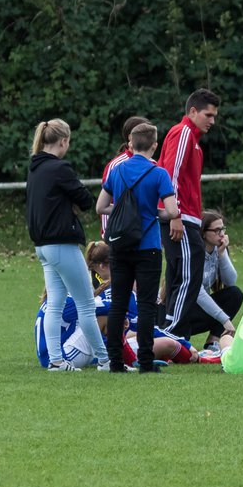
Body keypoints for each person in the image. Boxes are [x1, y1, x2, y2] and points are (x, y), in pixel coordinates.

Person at [26, 118, 110, 371]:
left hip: (43, 246)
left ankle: (56, 361)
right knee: (86, 304)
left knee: (55, 303)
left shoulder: (35, 168)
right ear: (63, 141)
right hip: (62, 244)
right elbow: (85, 200)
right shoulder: (59, 168)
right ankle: (105, 359)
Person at [96, 122, 180, 373]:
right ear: (155, 145)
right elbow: (173, 211)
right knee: (145, 304)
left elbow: (101, 207)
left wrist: (122, 211)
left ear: (131, 144)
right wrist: (152, 213)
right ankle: (144, 361)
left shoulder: (117, 170)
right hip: (148, 245)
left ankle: (115, 362)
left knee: (119, 303)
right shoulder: (158, 173)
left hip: (120, 246)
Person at [158, 88, 219, 335]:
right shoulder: (182, 133)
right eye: (208, 115)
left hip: (188, 219)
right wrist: (175, 216)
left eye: (214, 116)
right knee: (189, 278)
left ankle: (168, 331)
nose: (212, 121)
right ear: (192, 111)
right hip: (179, 219)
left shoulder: (195, 143)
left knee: (178, 277)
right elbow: (169, 175)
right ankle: (172, 333)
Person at [173, 210, 243, 350]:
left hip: (197, 311)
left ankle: (213, 342)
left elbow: (230, 281)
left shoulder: (218, 250)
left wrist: (222, 254)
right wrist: (225, 320)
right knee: (180, 351)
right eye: (217, 230)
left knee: (235, 294)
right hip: (180, 312)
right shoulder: (193, 254)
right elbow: (197, 293)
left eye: (223, 229)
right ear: (203, 233)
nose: (222, 234)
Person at [100, 115, 148, 236]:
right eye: (145, 133)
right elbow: (107, 201)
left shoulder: (153, 165)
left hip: (147, 234)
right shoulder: (115, 165)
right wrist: (107, 233)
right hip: (123, 235)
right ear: (131, 137)